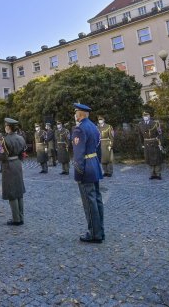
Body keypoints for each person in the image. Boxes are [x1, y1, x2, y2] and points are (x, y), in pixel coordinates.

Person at [72, 103, 105, 244]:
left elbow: (78, 154)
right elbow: (98, 148)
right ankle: (100, 230)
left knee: (89, 201)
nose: (74, 116)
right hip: (94, 164)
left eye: (75, 113)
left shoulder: (79, 129)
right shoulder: (94, 127)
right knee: (97, 199)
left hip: (85, 167)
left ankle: (94, 233)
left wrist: (78, 172)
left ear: (80, 115)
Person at [0, 118, 27, 225]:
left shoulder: (5, 140)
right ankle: (21, 217)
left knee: (12, 193)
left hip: (8, 166)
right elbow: (23, 153)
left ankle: (16, 219)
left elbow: (2, 155)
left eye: (6, 126)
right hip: (17, 164)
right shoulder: (21, 138)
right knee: (19, 192)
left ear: (8, 127)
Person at [138, 111, 164, 180]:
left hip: (155, 142)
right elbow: (140, 135)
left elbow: (160, 133)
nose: (145, 117)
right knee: (149, 159)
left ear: (149, 116)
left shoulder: (155, 123)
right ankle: (152, 174)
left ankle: (158, 174)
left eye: (147, 115)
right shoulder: (140, 124)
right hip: (146, 143)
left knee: (157, 159)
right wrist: (142, 144)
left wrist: (160, 143)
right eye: (144, 116)